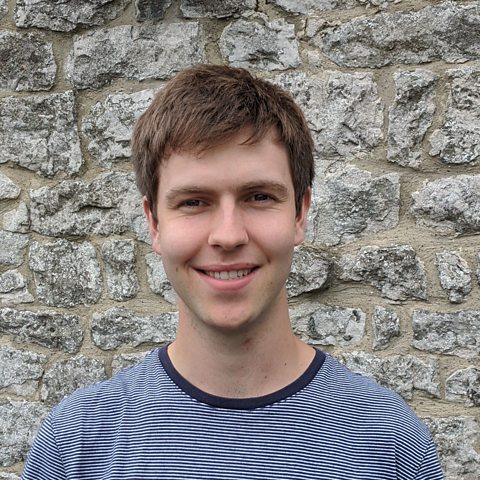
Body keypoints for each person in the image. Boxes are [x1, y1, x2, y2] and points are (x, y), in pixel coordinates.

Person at [22, 64, 444, 479]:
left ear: (300, 214)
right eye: (193, 201)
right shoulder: (74, 447)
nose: (227, 235)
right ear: (153, 223)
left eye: (259, 196)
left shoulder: (392, 445)